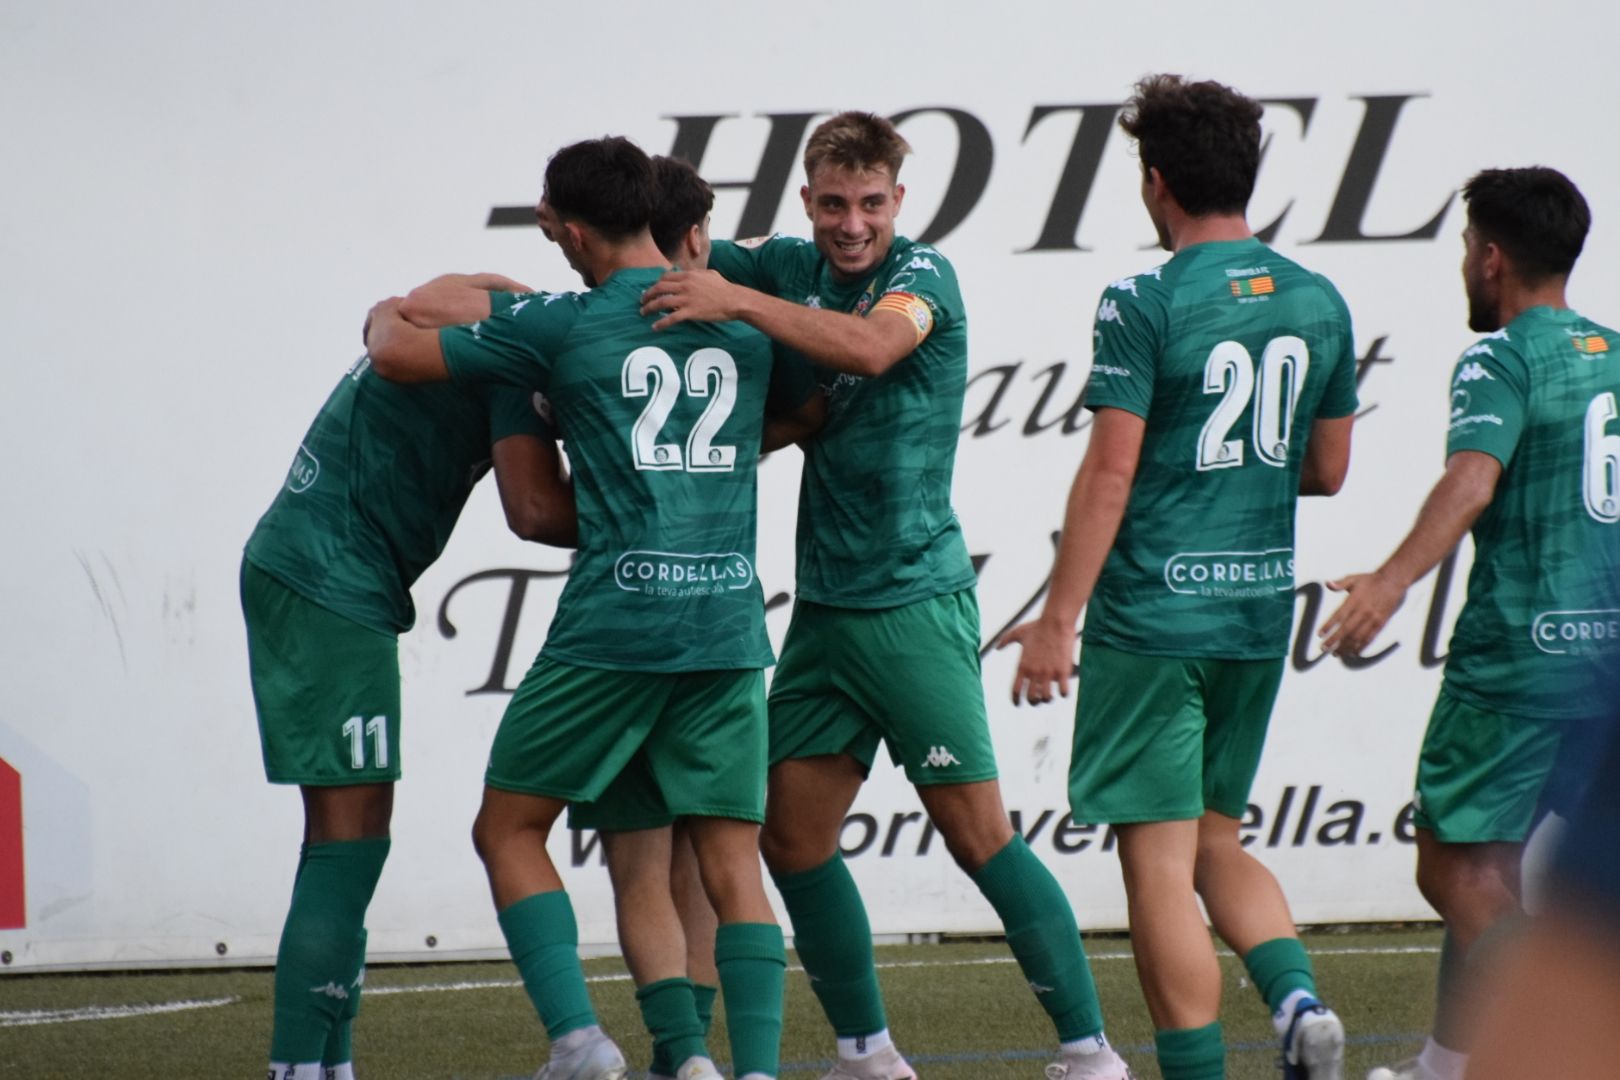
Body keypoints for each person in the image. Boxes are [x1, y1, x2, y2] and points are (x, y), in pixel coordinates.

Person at [640, 111, 1133, 1080]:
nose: (851, 223)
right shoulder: (785, 264)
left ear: (898, 203)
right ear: (808, 200)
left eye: (870, 204)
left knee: (976, 835)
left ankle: (1090, 1050)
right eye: (833, 203)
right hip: (825, 616)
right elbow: (667, 245)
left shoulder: (923, 280)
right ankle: (867, 1053)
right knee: (788, 835)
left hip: (914, 607)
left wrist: (735, 302)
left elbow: (869, 350)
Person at [366, 135, 818, 1080]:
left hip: (616, 625)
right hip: (730, 624)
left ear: (570, 230)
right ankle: (724, 1066)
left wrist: (382, 313)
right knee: (731, 864)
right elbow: (806, 409)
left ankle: (578, 1041)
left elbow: (402, 351)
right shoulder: (742, 323)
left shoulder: (562, 324)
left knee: (509, 829)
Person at [999, 74, 1357, 1080]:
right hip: (1253, 613)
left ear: (1157, 182)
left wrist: (1057, 618)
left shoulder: (1143, 298)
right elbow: (1326, 470)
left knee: (1155, 863)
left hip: (1155, 619)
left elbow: (1111, 470)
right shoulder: (1315, 297)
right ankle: (1293, 1000)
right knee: (1215, 842)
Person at [1319, 166, 1620, 1080]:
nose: (1463, 264)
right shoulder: (1615, 350)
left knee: (1454, 874)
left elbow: (1471, 478)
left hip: (1520, 664)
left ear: (1491, 258)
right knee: (1496, 865)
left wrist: (1390, 580)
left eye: (1463, 248)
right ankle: (1446, 1065)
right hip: (1607, 669)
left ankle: (1569, 1048)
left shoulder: (1503, 356)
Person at [242, 273, 575, 1080]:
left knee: (345, 841)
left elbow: (397, 313)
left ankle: (329, 1064)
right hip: (328, 580)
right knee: (348, 845)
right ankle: (298, 1068)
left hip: (319, 572)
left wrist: (385, 320)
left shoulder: (507, 304)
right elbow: (532, 511)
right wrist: (658, 512)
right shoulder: (529, 344)